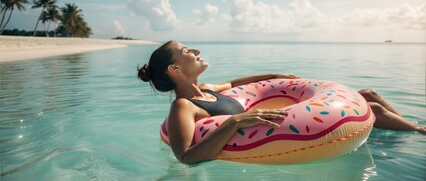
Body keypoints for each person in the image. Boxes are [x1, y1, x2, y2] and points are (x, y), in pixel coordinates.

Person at [138, 41, 426, 164]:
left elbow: (238, 84)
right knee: (373, 110)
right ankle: (417, 134)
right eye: (187, 50)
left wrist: (274, 75)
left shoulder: (210, 89)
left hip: (276, 123)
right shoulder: (182, 107)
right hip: (268, 142)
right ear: (174, 70)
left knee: (370, 95)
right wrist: (236, 122)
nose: (196, 49)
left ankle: (408, 130)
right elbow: (186, 157)